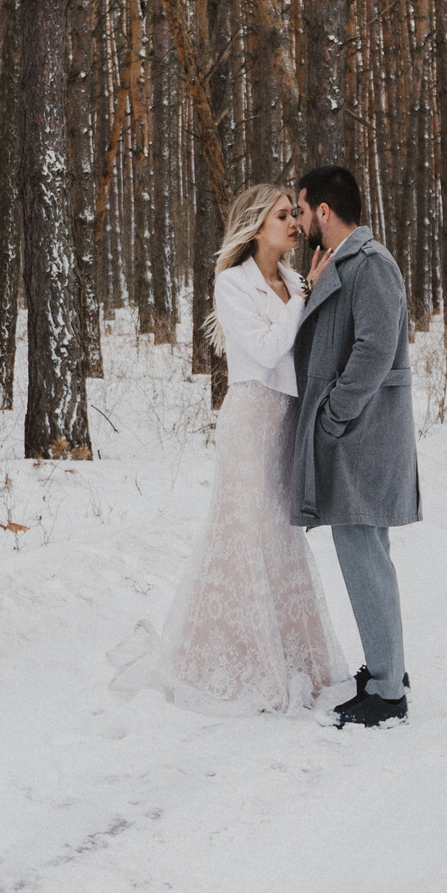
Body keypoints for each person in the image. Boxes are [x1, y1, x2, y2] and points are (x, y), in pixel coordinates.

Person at [111, 185, 342, 715]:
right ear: (257, 226)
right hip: (249, 421)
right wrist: (307, 293)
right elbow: (264, 349)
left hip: (285, 420)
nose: (293, 224)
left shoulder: (289, 278)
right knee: (240, 535)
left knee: (279, 539)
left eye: (293, 215)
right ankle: (224, 658)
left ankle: (289, 652)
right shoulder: (232, 283)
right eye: (282, 216)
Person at [290, 164, 421, 730]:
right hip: (357, 435)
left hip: (363, 434)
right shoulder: (347, 263)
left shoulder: (372, 265)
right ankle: (385, 667)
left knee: (363, 553)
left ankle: (388, 693)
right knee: (365, 552)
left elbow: (373, 350)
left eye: (300, 209)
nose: (297, 220)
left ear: (324, 211)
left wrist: (334, 417)